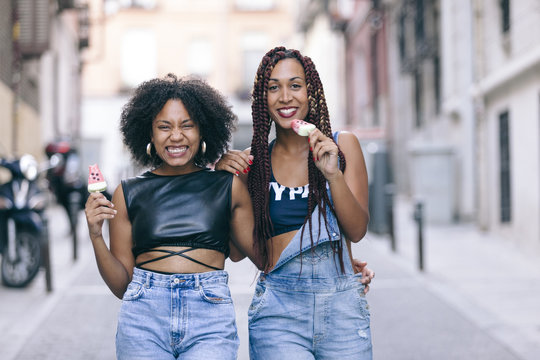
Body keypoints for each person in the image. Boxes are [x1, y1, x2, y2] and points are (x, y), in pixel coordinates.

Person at [84, 74, 260, 360]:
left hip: (210, 321)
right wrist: (95, 235)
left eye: (187, 126)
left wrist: (332, 258)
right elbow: (120, 286)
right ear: (149, 134)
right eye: (164, 127)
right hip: (143, 320)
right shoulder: (127, 192)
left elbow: (252, 255)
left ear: (203, 131)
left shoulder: (227, 186)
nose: (176, 136)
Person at [216, 46, 373, 359]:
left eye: (295, 85)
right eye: (273, 87)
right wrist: (224, 184)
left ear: (311, 91)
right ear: (263, 98)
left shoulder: (343, 146)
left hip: (342, 307)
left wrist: (333, 175)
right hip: (279, 311)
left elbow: (356, 231)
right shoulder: (251, 165)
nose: (285, 96)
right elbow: (235, 254)